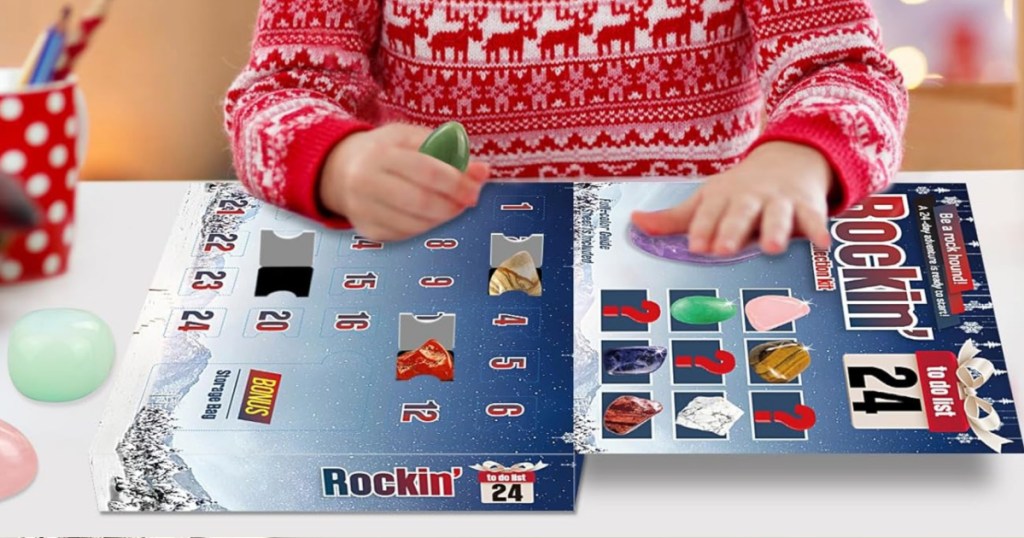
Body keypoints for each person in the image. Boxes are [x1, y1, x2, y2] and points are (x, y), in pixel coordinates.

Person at [225, 0, 907, 255]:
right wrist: (339, 162)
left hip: (682, 255)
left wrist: (794, 159)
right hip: (446, 262)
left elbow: (851, 70)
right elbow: (272, 97)